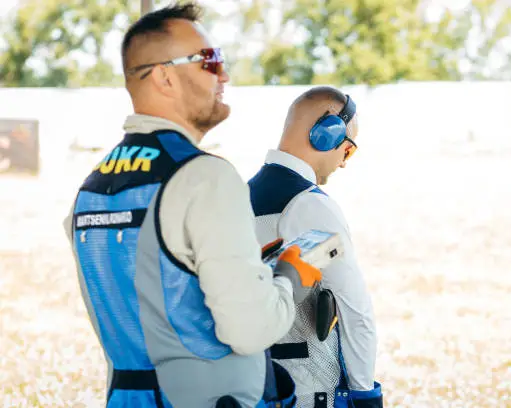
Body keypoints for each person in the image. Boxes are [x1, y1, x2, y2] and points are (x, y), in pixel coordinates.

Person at [62, 3, 322, 407]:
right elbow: (250, 329)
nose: (224, 74)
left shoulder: (90, 189)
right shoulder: (206, 177)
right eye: (210, 60)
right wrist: (291, 277)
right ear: (164, 77)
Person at [248, 86, 383, 407]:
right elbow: (353, 307)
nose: (344, 163)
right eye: (347, 150)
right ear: (326, 134)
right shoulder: (310, 206)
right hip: (308, 390)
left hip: (254, 384)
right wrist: (365, 394)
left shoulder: (237, 197)